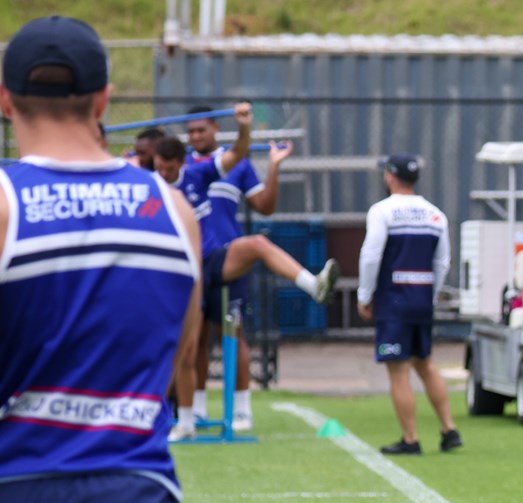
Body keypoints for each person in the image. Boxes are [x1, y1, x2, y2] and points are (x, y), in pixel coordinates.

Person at [0, 15, 202, 503]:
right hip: (130, 498)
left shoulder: (3, 200)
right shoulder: (176, 210)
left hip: (12, 493)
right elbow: (181, 356)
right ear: (105, 99)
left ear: (4, 100)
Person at [153, 133, 340, 440]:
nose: (165, 174)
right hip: (184, 271)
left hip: (216, 257)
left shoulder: (197, 173)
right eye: (159, 168)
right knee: (188, 348)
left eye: (169, 169)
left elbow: (238, 156)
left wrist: (245, 127)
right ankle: (186, 419)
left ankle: (314, 285)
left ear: (180, 163)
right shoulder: (150, 187)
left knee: (257, 246)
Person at [185, 105, 297, 432]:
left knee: (234, 334)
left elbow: (265, 207)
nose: (195, 137)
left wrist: (274, 167)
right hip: (192, 264)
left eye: (201, 130)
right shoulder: (180, 167)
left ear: (215, 129)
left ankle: (242, 410)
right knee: (196, 339)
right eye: (190, 131)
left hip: (227, 260)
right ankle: (198, 408)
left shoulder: (237, 164)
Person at [357, 153, 462, 455]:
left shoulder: (382, 211)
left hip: (393, 300)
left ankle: (410, 438)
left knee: (398, 370)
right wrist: (429, 295)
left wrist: (365, 295)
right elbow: (442, 262)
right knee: (426, 364)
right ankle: (449, 429)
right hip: (421, 300)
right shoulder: (435, 214)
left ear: (390, 176)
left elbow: (371, 256)